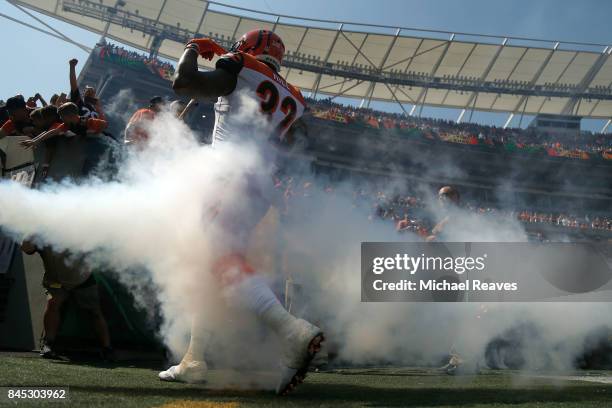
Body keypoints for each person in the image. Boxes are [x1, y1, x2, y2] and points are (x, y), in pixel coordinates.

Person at [159, 30, 323, 396]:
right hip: (260, 187)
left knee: (223, 265)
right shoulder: (294, 96)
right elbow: (294, 145)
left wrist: (192, 49)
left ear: (247, 49)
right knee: (215, 264)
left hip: (228, 177)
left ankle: (292, 332)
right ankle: (194, 359)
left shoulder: (241, 64)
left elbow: (184, 84)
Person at [20, 240, 114, 361]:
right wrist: (28, 233)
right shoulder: (39, 231)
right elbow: (27, 249)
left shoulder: (78, 226)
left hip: (82, 278)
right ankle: (48, 345)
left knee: (95, 311)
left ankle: (107, 348)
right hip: (56, 280)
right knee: (53, 304)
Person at [20, 102, 108, 149]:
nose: (61, 119)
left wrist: (93, 133)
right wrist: (35, 141)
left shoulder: (87, 122)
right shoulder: (68, 125)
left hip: (105, 144)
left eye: (62, 117)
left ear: (70, 116)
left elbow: (104, 124)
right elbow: (52, 132)